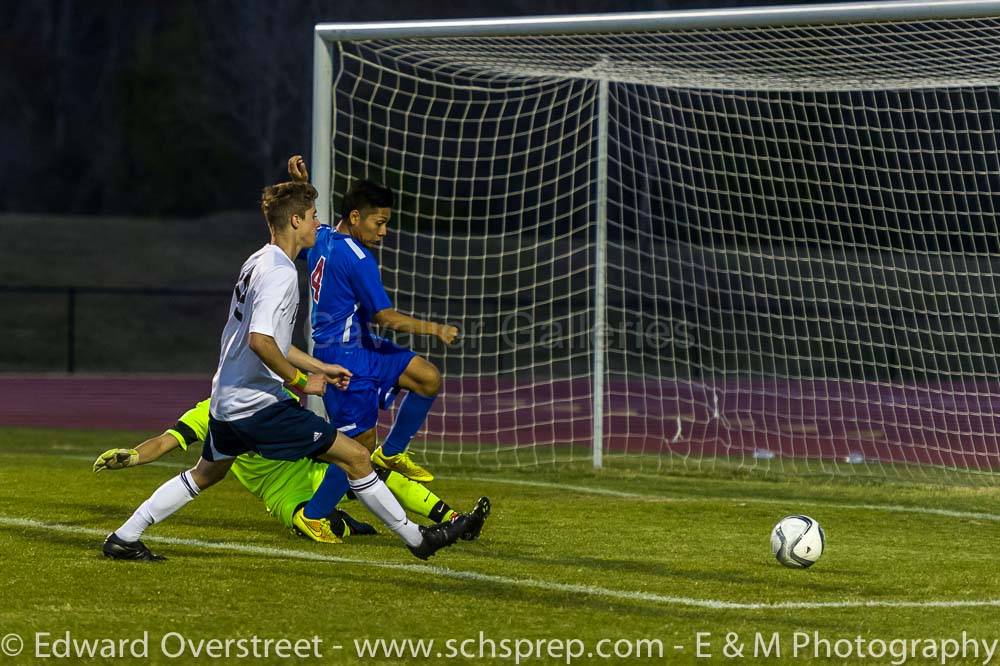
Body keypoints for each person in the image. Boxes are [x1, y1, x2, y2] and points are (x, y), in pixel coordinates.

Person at [102, 180, 474, 561]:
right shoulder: (281, 273)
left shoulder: (258, 261)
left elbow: (272, 341)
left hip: (227, 401)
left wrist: (319, 367)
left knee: (205, 474)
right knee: (358, 457)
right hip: (258, 407)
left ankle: (125, 536)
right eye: (312, 217)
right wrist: (302, 382)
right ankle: (417, 539)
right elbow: (261, 342)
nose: (318, 224)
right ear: (295, 221)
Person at [93, 396, 490, 542]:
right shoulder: (212, 411)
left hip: (313, 470)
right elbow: (168, 440)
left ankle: (454, 520)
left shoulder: (275, 394)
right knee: (326, 528)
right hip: (286, 496)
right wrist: (133, 455)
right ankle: (348, 522)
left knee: (367, 467)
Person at [291, 157, 456, 486]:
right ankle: (314, 516)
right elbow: (385, 317)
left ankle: (393, 452)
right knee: (357, 451)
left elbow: (302, 222)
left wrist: (303, 188)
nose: (384, 231)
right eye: (378, 223)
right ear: (355, 217)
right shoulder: (358, 257)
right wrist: (435, 329)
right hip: (342, 358)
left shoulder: (321, 238)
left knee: (427, 378)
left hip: (361, 345)